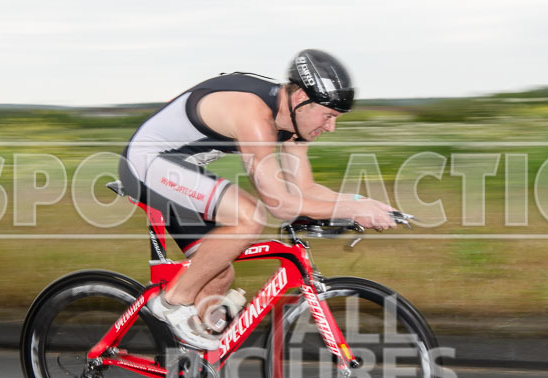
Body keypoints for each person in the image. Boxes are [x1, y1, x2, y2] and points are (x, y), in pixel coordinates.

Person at [119, 49, 397, 356]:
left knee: (217, 271)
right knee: (250, 216)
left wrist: (365, 203)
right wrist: (351, 209)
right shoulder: (254, 115)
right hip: (145, 163)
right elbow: (279, 203)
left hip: (178, 170)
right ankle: (171, 303)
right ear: (301, 98)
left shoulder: (293, 124)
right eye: (328, 115)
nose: (331, 127)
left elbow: (304, 189)